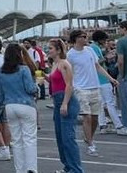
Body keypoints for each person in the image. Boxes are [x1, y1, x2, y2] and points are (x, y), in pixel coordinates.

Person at [66, 30, 117, 157]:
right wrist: (69, 88)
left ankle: (89, 137)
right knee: (87, 117)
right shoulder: (70, 55)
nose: (85, 38)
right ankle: (90, 145)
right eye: (83, 37)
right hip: (80, 88)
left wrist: (111, 79)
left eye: (86, 36)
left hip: (94, 86)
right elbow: (69, 73)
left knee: (95, 118)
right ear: (76, 39)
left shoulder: (90, 50)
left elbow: (98, 66)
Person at [0, 44, 38, 173]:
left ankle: (19, 169)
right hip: (26, 104)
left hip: (9, 106)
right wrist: (37, 86)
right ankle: (31, 168)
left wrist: (2, 103)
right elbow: (30, 89)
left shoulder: (1, 72)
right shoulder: (24, 69)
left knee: (16, 140)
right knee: (29, 138)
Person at [47, 39, 82, 173]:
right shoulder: (55, 64)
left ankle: (75, 169)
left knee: (68, 138)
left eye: (50, 48)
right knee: (60, 138)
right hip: (57, 99)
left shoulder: (64, 64)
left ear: (58, 50)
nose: (48, 50)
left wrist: (65, 103)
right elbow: (56, 81)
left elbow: (69, 85)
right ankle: (68, 166)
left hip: (65, 99)